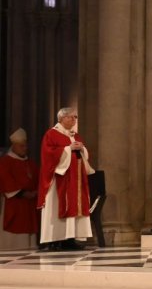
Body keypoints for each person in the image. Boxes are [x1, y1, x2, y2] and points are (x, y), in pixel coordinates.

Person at [37, 107, 94, 251]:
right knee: (57, 206)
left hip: (76, 179)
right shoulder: (51, 134)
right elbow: (48, 154)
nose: (75, 120)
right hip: (59, 179)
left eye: (76, 117)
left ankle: (70, 238)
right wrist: (68, 149)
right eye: (72, 117)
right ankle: (53, 240)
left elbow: (84, 155)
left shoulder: (76, 135)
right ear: (62, 118)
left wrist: (81, 148)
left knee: (75, 206)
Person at [0, 129, 38, 250]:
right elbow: (5, 179)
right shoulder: (5, 161)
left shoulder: (30, 163)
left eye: (26, 146)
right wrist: (23, 193)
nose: (25, 148)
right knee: (14, 229)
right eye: (21, 146)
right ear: (14, 146)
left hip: (30, 202)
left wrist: (36, 192)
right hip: (14, 201)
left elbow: (38, 178)